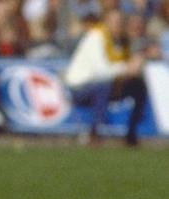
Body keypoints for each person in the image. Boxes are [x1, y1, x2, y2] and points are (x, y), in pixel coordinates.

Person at [63, 8, 147, 147]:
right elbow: (100, 71)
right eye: (115, 22)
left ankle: (131, 134)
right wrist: (126, 68)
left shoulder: (122, 41)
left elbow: (129, 65)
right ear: (106, 22)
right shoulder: (96, 37)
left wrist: (137, 61)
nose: (118, 25)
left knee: (138, 86)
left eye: (121, 22)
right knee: (103, 87)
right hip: (79, 88)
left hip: (108, 85)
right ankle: (95, 133)